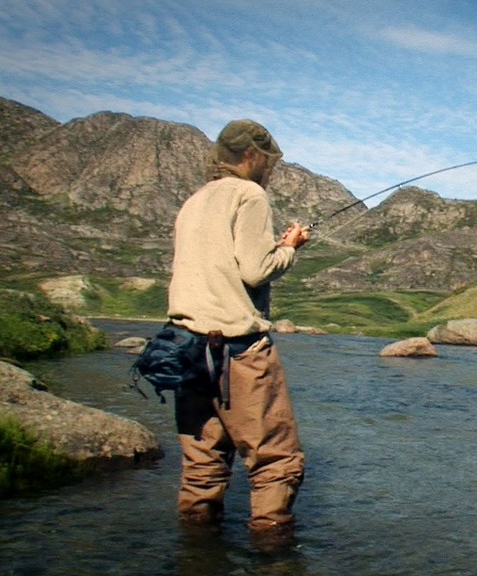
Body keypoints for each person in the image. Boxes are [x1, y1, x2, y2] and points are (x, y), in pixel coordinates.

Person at [166, 119, 308, 538]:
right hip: (238, 349)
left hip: (186, 347)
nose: (269, 169)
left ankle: (195, 552)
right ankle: (272, 554)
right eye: (268, 161)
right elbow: (254, 270)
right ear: (252, 156)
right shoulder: (250, 194)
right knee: (275, 461)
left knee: (202, 462)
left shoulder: (194, 200)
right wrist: (290, 248)